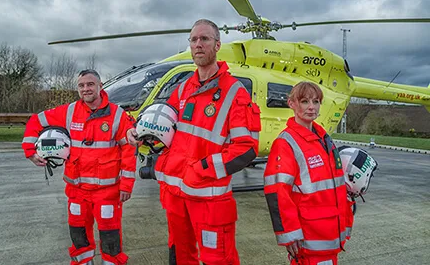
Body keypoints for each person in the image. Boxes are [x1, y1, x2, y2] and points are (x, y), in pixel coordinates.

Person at [128, 19, 261, 265]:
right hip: (175, 198)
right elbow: (164, 130)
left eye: (205, 39)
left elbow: (247, 148)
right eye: (193, 40)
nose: (198, 44)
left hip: (209, 201)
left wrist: (200, 170)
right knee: (179, 257)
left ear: (217, 45)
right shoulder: (182, 89)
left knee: (218, 260)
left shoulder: (234, 93)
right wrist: (140, 135)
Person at [22, 69, 136, 265]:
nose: (86, 89)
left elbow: (130, 149)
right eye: (81, 86)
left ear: (100, 86)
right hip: (76, 192)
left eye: (90, 84)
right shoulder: (68, 112)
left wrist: (126, 184)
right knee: (79, 237)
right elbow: (36, 121)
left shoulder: (118, 115)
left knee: (110, 237)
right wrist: (30, 151)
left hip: (107, 193)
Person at [263, 82, 352, 265]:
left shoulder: (324, 139)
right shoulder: (286, 143)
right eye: (304, 101)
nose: (311, 107)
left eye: (316, 101)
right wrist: (289, 234)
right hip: (310, 239)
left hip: (330, 235)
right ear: (292, 104)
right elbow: (277, 191)